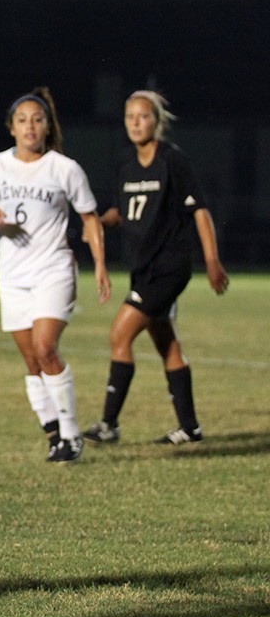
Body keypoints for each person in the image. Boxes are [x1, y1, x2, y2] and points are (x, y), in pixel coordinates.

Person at [0, 87, 110, 463]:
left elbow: (90, 218)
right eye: (22, 120)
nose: (30, 126)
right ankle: (53, 432)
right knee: (32, 360)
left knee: (46, 348)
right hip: (12, 275)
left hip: (54, 269)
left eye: (37, 120)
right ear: (11, 128)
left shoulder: (64, 168)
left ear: (48, 127)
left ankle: (71, 435)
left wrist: (99, 264)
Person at [83, 90, 229, 445]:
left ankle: (109, 425)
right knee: (167, 345)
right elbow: (124, 210)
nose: (136, 123)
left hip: (169, 266)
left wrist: (212, 260)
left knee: (120, 334)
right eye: (130, 116)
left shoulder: (171, 160)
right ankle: (189, 427)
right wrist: (103, 222)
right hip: (143, 266)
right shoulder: (124, 163)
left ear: (157, 121)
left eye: (143, 116)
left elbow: (199, 210)